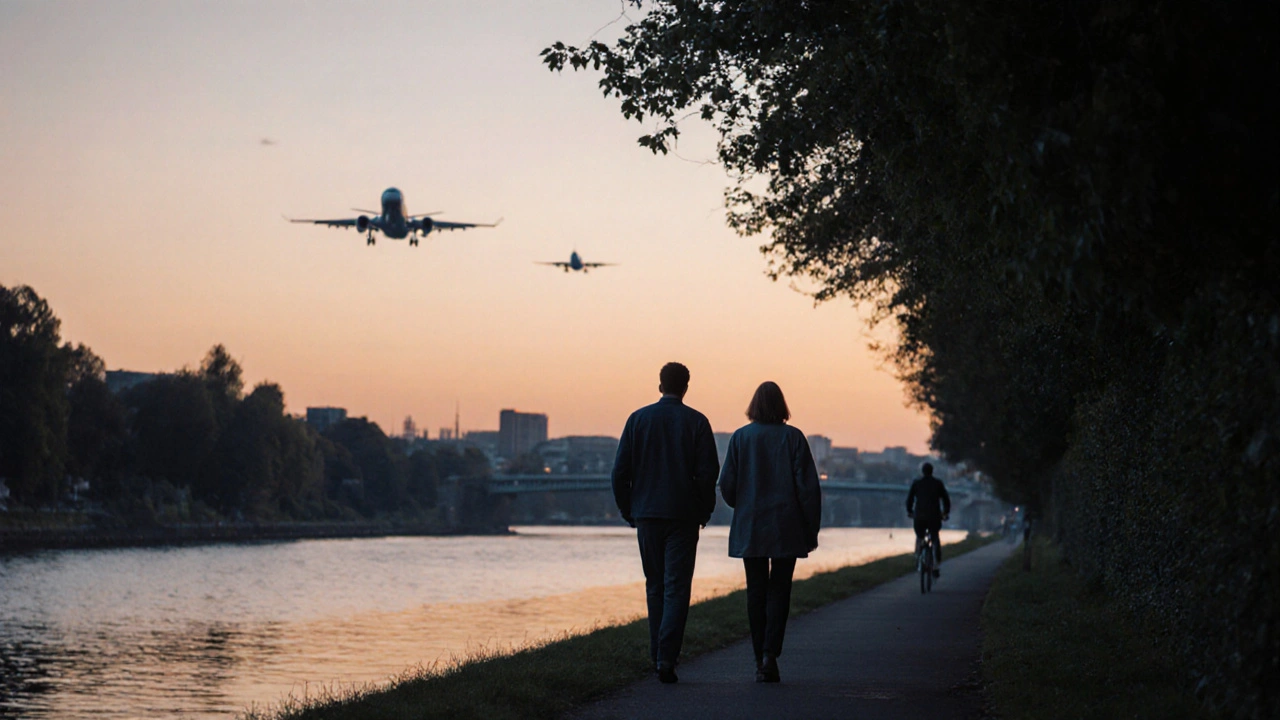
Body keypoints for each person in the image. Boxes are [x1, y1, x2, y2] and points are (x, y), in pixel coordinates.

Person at [611, 362, 720, 684]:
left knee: (654, 586)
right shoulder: (697, 422)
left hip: (646, 514)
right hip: (684, 516)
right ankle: (666, 659)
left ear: (660, 385)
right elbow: (708, 474)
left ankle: (656, 653)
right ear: (686, 387)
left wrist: (627, 510)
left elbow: (620, 473)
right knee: (677, 588)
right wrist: (705, 510)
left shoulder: (638, 420)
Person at [718, 381, 821, 683]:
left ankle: (757, 655)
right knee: (780, 591)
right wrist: (810, 530)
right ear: (782, 406)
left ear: (754, 405)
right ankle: (770, 654)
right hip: (786, 527)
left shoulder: (740, 439)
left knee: (756, 591)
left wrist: (742, 504)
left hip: (751, 526)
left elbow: (726, 485)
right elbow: (809, 490)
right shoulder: (794, 438)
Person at [906, 462, 951, 577]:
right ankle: (936, 564)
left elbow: (909, 499)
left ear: (922, 471)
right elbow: (946, 500)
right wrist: (945, 512)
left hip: (919, 517)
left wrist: (910, 512)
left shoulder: (917, 483)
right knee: (935, 538)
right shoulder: (938, 483)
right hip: (934, 517)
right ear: (932, 471)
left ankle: (918, 556)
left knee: (919, 535)